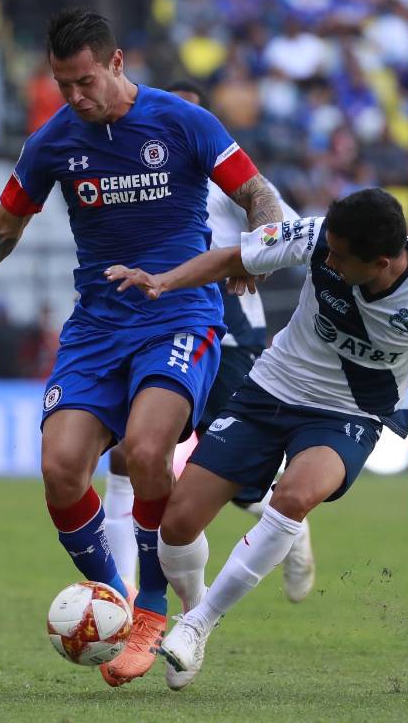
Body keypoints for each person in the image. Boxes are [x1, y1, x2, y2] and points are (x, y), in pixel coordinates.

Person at [0, 8, 283, 686]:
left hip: (179, 314)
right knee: (61, 467)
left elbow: (258, 193)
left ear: (116, 63)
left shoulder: (182, 122)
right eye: (62, 84)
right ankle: (117, 602)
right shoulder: (53, 141)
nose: (74, 96)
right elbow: (3, 228)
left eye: (84, 81)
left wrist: (257, 248)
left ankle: (153, 608)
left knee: (148, 449)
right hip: (97, 328)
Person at [104, 188, 408, 689]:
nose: (328, 261)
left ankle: (198, 624)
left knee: (293, 497)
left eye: (341, 258)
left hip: (350, 412)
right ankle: (195, 606)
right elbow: (233, 257)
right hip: (270, 389)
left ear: (380, 263)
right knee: (177, 524)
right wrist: (162, 281)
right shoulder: (318, 235)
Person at [103, 79, 316, 604]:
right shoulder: (135, 175)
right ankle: (121, 590)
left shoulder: (231, 180)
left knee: (230, 471)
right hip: (149, 326)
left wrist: (250, 257)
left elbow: (289, 233)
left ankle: (286, 520)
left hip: (228, 334)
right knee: (126, 454)